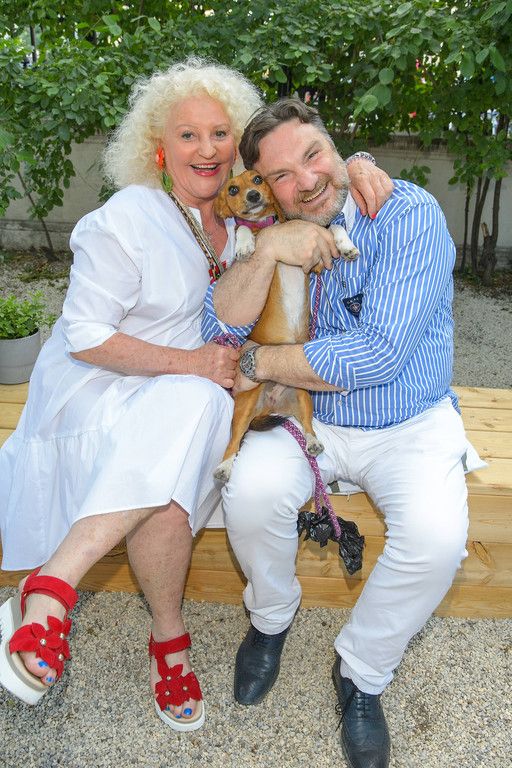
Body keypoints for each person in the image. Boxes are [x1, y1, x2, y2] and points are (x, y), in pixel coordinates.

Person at [0, 60, 390, 732]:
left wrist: (357, 163)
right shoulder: (129, 216)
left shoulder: (243, 216)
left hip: (189, 395)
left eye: (219, 134)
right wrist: (195, 363)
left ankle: (84, 602)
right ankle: (100, 603)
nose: (205, 149)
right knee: (191, 406)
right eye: (187, 135)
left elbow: (312, 176)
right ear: (159, 147)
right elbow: (86, 337)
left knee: (190, 410)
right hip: (104, 391)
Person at [202, 98, 485, 765]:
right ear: (266, 188)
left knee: (437, 540)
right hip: (311, 415)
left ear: (336, 148)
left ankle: (361, 670)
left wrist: (261, 364)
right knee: (248, 492)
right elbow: (218, 327)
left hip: (406, 420)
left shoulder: (405, 214)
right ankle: (271, 617)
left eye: (314, 156)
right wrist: (270, 249)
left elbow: (376, 356)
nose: (305, 181)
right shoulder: (273, 229)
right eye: (281, 175)